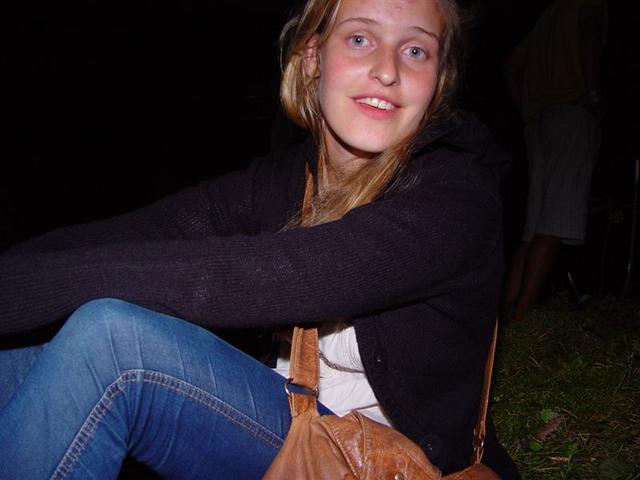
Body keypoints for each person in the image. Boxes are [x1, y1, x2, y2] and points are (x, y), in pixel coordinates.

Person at [0, 0, 519, 478]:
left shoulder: (456, 197)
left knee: (112, 341)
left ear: (439, 79)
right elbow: (141, 232)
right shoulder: (288, 178)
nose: (388, 70)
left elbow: (279, 275)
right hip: (297, 436)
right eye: (360, 39)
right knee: (32, 344)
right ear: (312, 57)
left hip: (390, 466)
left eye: (415, 50)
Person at [501, 0, 607, 320]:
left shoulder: (548, 15)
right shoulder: (586, 6)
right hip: (571, 112)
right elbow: (589, 33)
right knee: (555, 220)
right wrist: (593, 92)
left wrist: (526, 109)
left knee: (533, 226)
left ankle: (508, 310)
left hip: (539, 122)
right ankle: (523, 315)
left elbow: (511, 65)